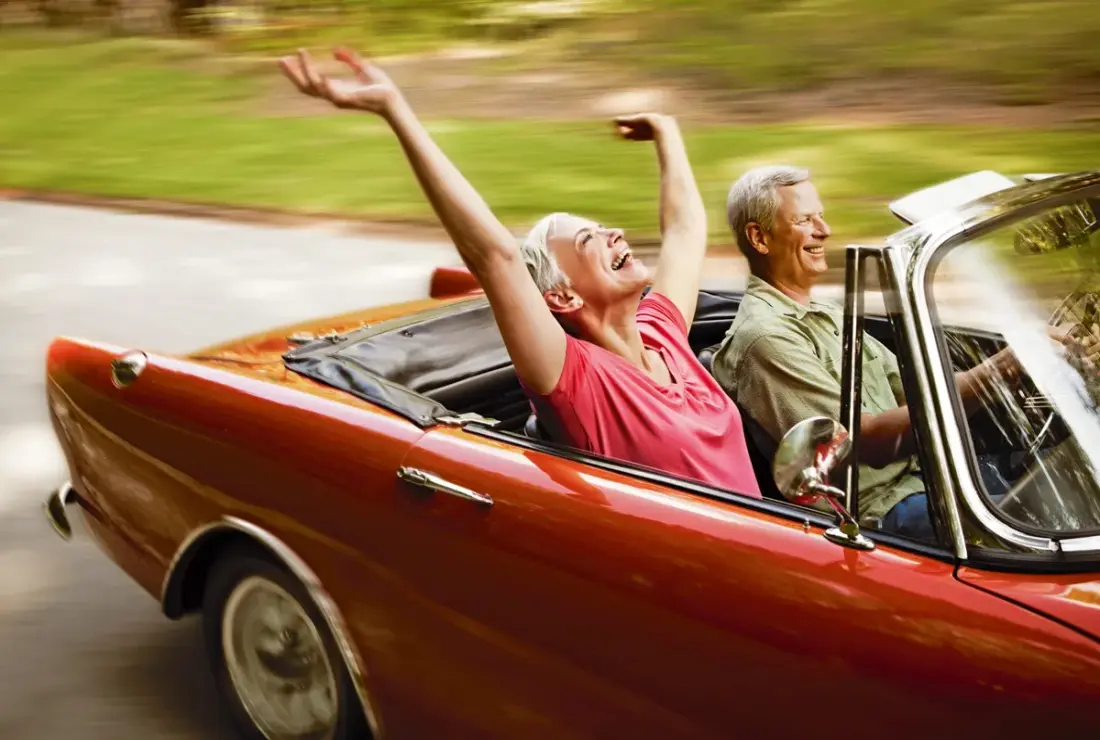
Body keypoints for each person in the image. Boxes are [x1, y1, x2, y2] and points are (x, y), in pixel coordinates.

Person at [279, 48, 761, 498]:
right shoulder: (576, 380)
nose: (614, 233)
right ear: (563, 296)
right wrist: (394, 109)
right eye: (588, 240)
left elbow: (683, 229)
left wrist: (666, 131)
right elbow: (494, 256)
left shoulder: (661, 332)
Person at [711, 166, 1071, 540]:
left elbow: (915, 396)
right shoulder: (765, 338)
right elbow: (865, 442)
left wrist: (1034, 361)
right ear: (760, 237)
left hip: (930, 478)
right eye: (805, 220)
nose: (825, 230)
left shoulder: (827, 313)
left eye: (822, 215)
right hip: (883, 515)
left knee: (1068, 474)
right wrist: (1001, 371)